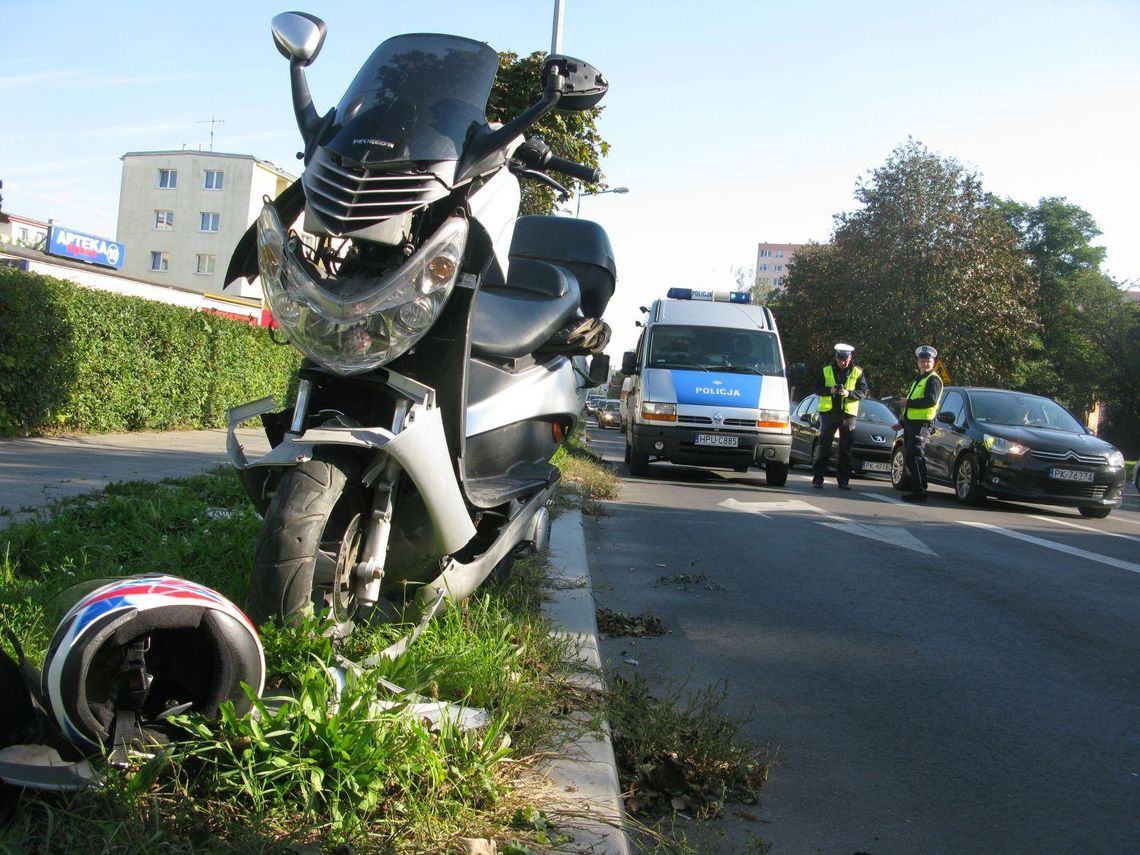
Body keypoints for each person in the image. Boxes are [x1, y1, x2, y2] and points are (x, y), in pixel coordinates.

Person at [811, 343, 867, 490]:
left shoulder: (857, 372)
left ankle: (843, 480)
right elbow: (816, 388)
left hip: (848, 414)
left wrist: (848, 393)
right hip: (829, 412)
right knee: (824, 445)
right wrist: (830, 390)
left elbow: (862, 392)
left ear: (851, 357)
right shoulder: (826, 370)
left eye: (846, 359)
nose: (843, 362)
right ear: (836, 357)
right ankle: (818, 478)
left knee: (845, 448)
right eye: (840, 358)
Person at [893, 345, 944, 503]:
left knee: (914, 455)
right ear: (918, 362)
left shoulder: (933, 379)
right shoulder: (919, 379)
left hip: (922, 423)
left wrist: (908, 402)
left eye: (928, 361)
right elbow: (912, 406)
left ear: (933, 362)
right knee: (910, 456)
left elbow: (930, 400)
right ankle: (917, 488)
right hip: (912, 423)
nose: (925, 364)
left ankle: (920, 491)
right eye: (922, 361)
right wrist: (902, 423)